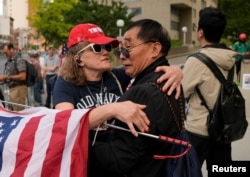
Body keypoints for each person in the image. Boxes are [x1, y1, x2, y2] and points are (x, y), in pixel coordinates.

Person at [87, 19, 186, 177]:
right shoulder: (170, 80)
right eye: (120, 49)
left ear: (154, 49)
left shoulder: (143, 92)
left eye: (128, 48)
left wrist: (80, 145)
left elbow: (119, 158)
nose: (121, 56)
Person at [53, 23, 183, 142]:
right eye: (97, 48)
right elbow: (66, 123)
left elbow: (152, 71)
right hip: (86, 158)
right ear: (78, 59)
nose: (105, 52)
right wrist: (112, 109)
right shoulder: (65, 83)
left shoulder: (118, 76)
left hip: (116, 157)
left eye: (107, 47)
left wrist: (175, 70)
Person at [181, 7, 236, 169]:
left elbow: (180, 91)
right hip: (223, 129)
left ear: (200, 32)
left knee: (188, 171)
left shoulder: (197, 61)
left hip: (198, 130)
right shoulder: (230, 58)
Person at [0, 43, 28, 111]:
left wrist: (6, 77)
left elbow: (23, 76)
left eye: (6, 53)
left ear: (11, 49)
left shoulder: (19, 60)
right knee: (14, 110)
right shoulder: (10, 61)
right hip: (13, 89)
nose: (5, 55)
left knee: (18, 112)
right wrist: (4, 79)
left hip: (18, 89)